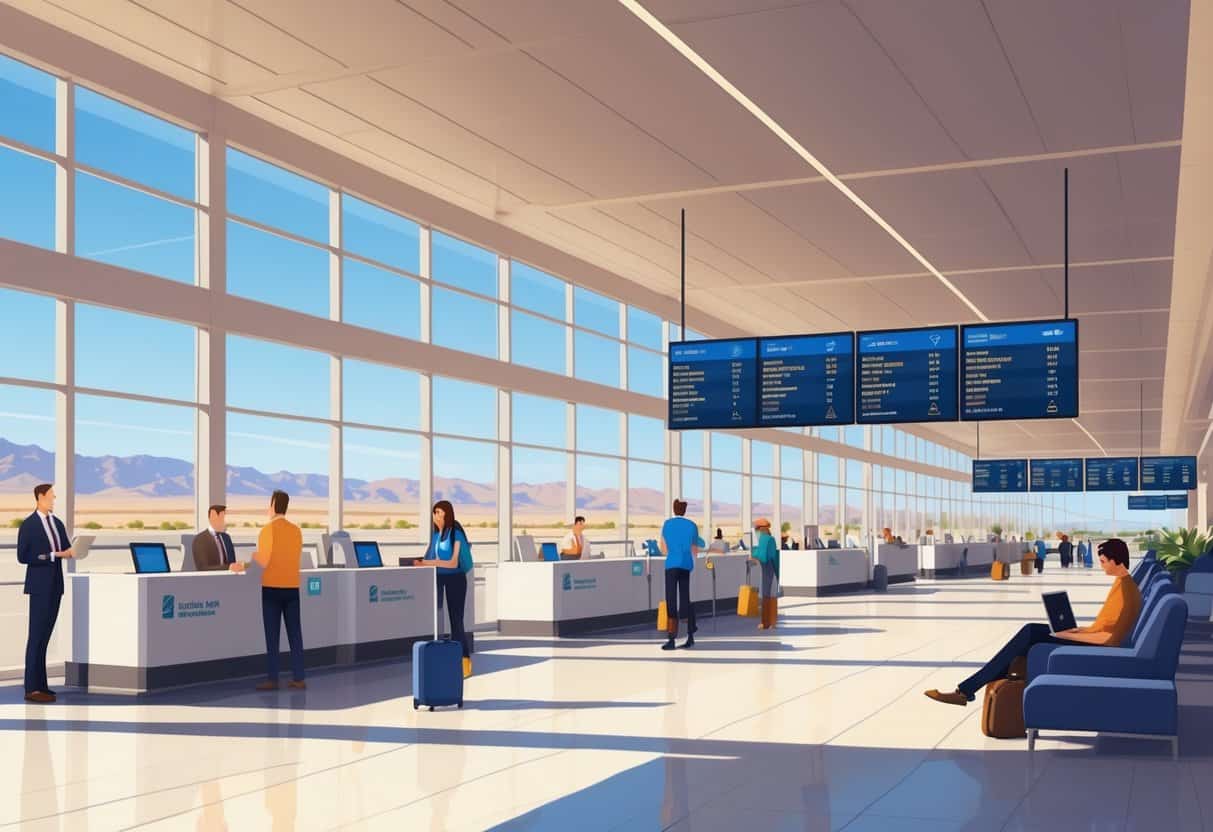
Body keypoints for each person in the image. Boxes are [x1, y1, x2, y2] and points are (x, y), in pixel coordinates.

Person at [924, 538, 1141, 707]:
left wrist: (1066, 636)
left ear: (1115, 560)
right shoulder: (1123, 584)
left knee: (1029, 634)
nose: (1101, 566)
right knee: (1028, 637)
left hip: (1101, 648)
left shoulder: (1125, 590)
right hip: (1093, 640)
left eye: (1103, 562)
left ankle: (966, 691)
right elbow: (1104, 626)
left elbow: (1109, 638)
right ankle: (968, 689)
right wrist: (1076, 631)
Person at [234, 490, 306, 691]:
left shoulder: (267, 530)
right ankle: (299, 677)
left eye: (269, 504)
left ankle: (273, 679)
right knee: (295, 633)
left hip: (272, 589)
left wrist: (243, 565)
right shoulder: (296, 531)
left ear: (274, 505)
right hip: (292, 588)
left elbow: (263, 560)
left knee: (272, 635)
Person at [17, 484, 74, 703]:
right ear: (40, 497)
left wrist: (72, 552)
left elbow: (66, 548)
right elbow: (23, 556)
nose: (54, 499)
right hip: (39, 587)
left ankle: (42, 685)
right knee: (36, 637)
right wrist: (51, 555)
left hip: (55, 586)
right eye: (51, 496)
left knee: (45, 637)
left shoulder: (57, 523)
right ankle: (31, 687)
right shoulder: (29, 525)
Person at [424, 500, 474, 678]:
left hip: (456, 579)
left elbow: (453, 562)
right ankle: (444, 660)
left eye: (440, 512)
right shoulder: (436, 536)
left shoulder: (456, 534)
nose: (437, 516)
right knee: (437, 619)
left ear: (448, 514)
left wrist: (431, 562)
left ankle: (464, 662)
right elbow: (428, 557)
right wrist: (421, 562)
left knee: (456, 621)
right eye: (435, 512)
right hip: (439, 578)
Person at [660, 499, 699, 651]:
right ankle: (690, 635)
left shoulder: (667, 524)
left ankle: (671, 638)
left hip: (671, 564)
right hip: (686, 564)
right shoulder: (692, 526)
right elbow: (694, 549)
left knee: (671, 599)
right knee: (685, 599)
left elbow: (663, 549)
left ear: (674, 509)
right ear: (685, 510)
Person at [750, 518, 780, 630]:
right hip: (772, 567)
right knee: (771, 595)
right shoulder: (771, 539)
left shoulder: (763, 539)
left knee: (765, 595)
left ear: (759, 529)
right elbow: (771, 554)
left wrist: (753, 556)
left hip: (766, 568)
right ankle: (772, 622)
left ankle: (765, 622)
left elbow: (762, 555)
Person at [192, 504, 238, 572]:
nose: (226, 521)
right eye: (223, 517)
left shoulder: (226, 538)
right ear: (213, 517)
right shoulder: (200, 540)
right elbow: (203, 568)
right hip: (210, 580)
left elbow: (232, 563)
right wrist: (228, 568)